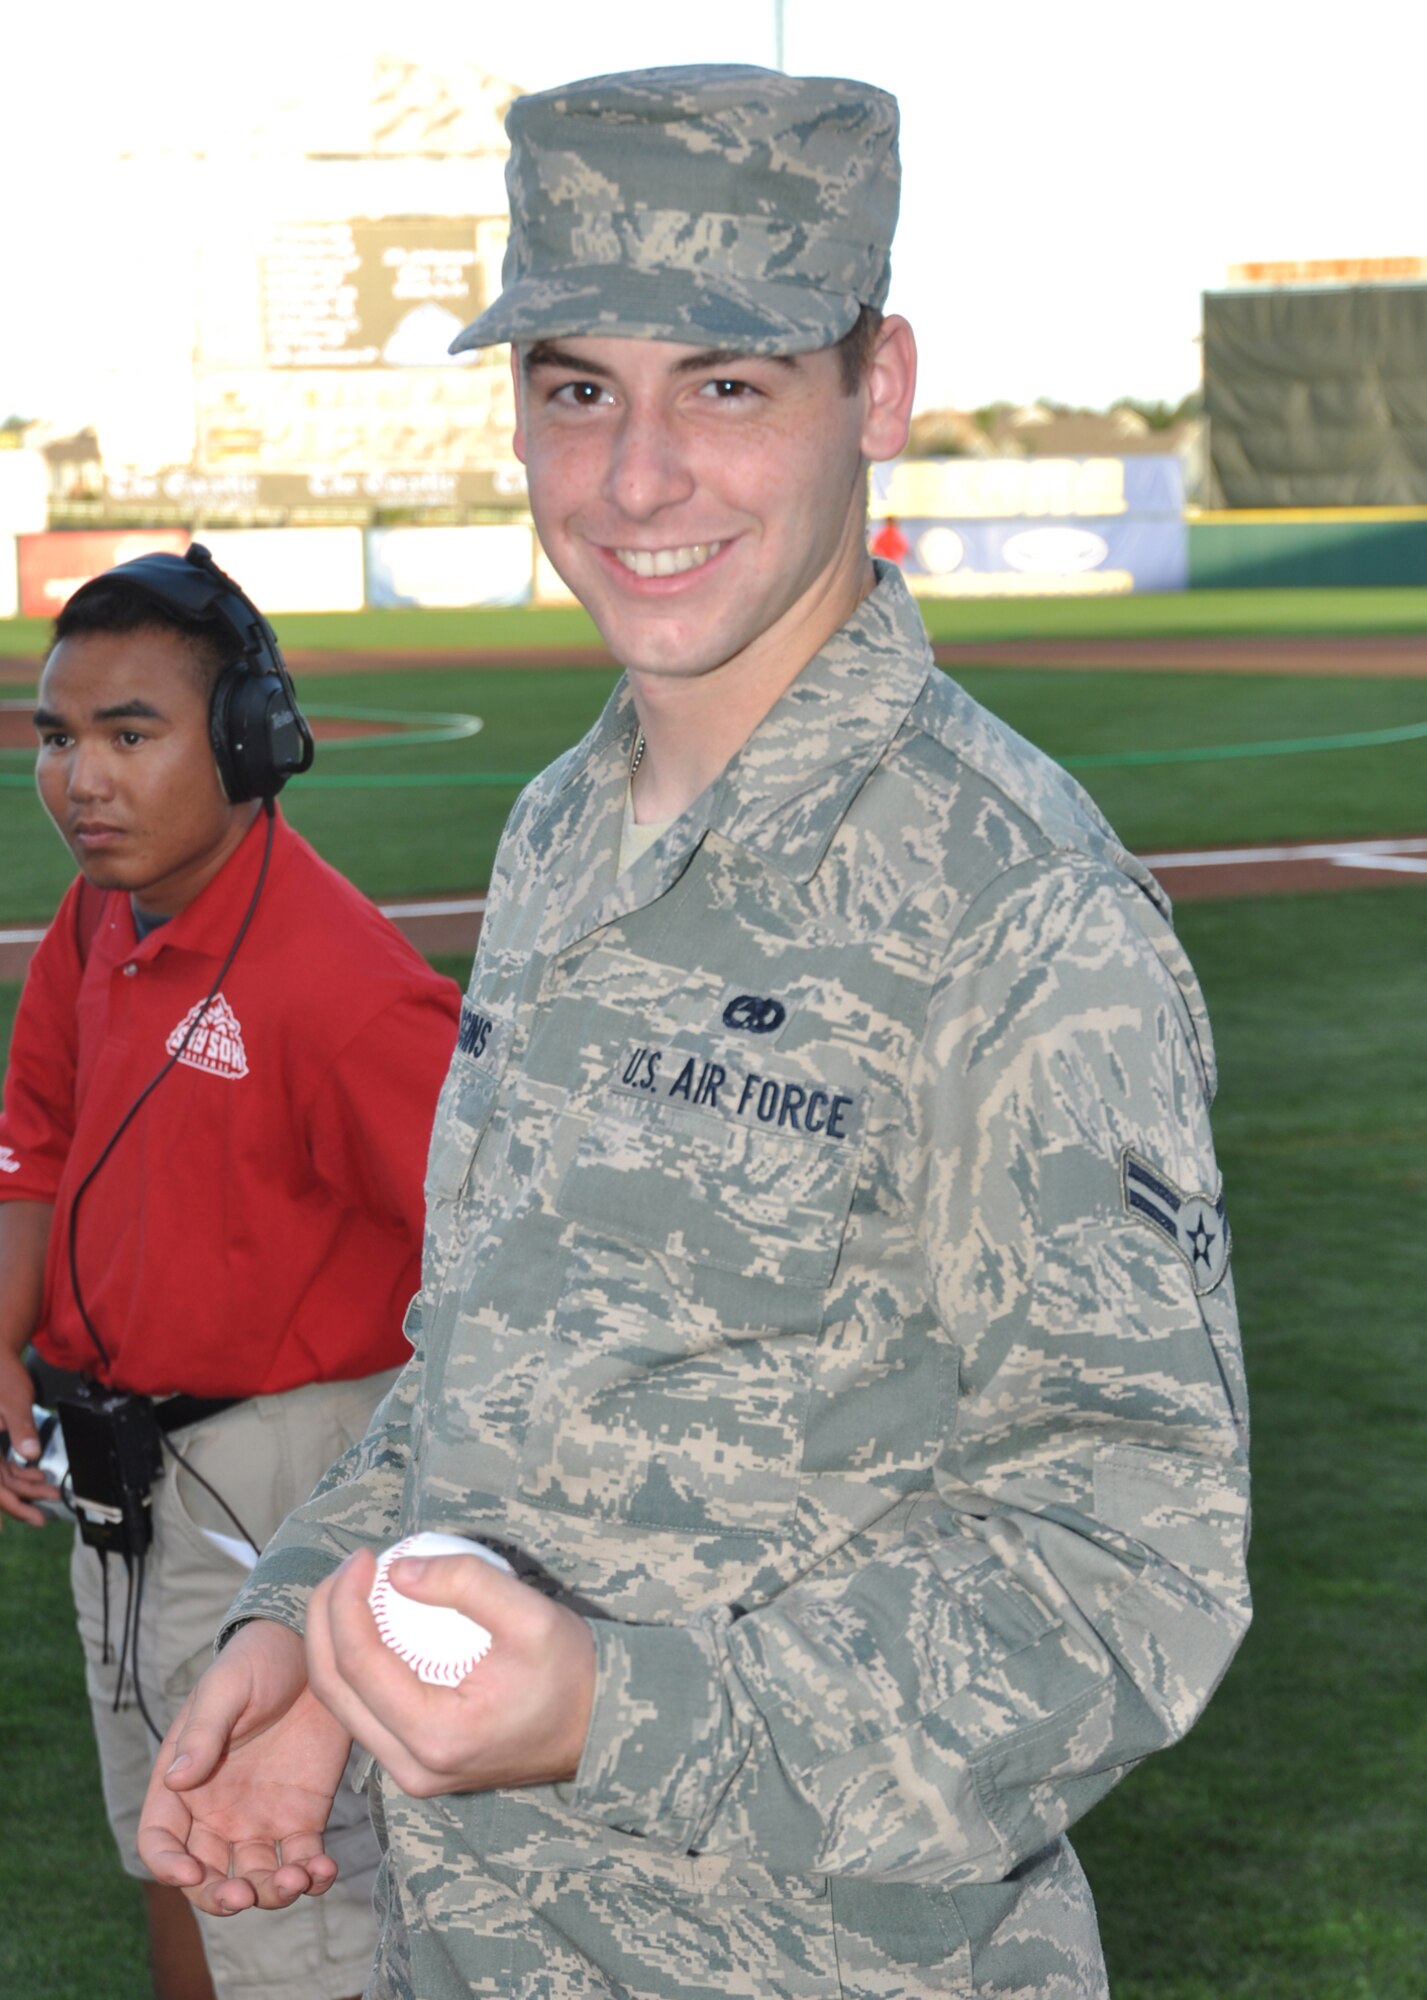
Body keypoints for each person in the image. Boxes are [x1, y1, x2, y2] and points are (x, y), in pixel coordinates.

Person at [138, 67, 1251, 2000]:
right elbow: (493, 1362)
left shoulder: (1017, 909)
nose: (635, 478)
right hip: (484, 1947)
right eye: (579, 387)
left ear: (877, 390)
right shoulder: (563, 830)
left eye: (725, 385)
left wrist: (607, 1712)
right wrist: (312, 1635)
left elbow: (1132, 1564)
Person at [0, 544, 460, 2000]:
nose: (81, 779)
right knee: (172, 1849)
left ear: (253, 742)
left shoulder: (347, 989)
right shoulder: (96, 919)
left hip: (283, 1491)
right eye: (58, 739)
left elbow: (506, 1285)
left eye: (131, 735)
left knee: (291, 1910)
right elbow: (35, 1149)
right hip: (121, 1473)